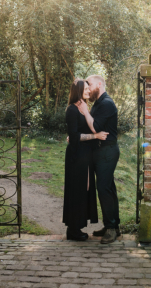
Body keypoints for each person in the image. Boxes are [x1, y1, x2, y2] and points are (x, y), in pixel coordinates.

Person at [63, 79, 108, 241]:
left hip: (85, 154)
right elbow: (74, 137)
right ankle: (73, 230)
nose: (89, 91)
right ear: (79, 90)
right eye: (86, 89)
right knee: (77, 189)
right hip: (77, 155)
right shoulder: (72, 110)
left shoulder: (82, 108)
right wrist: (95, 136)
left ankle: (76, 227)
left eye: (89, 88)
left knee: (85, 188)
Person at [76, 75, 120, 244]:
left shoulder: (106, 103)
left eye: (90, 84)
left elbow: (95, 127)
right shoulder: (99, 103)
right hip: (101, 152)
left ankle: (111, 229)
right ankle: (114, 226)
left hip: (107, 152)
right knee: (108, 188)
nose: (87, 88)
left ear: (99, 84)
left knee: (103, 189)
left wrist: (85, 111)